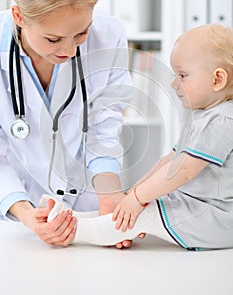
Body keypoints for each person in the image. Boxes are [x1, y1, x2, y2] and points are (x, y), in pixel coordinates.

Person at [0, 0, 146, 248]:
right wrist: (26, 213)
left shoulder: (109, 33)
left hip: (88, 202)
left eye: (82, 33)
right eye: (53, 39)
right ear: (19, 16)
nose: (69, 50)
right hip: (16, 211)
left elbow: (104, 123)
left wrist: (108, 198)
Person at [42, 23, 233, 250]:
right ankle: (81, 219)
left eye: (182, 75)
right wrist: (132, 195)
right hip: (200, 206)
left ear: (217, 80)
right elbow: (169, 161)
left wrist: (137, 199)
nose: (174, 84)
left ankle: (75, 229)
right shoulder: (204, 117)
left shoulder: (222, 121)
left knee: (146, 213)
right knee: (145, 203)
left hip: (218, 217)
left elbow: (182, 170)